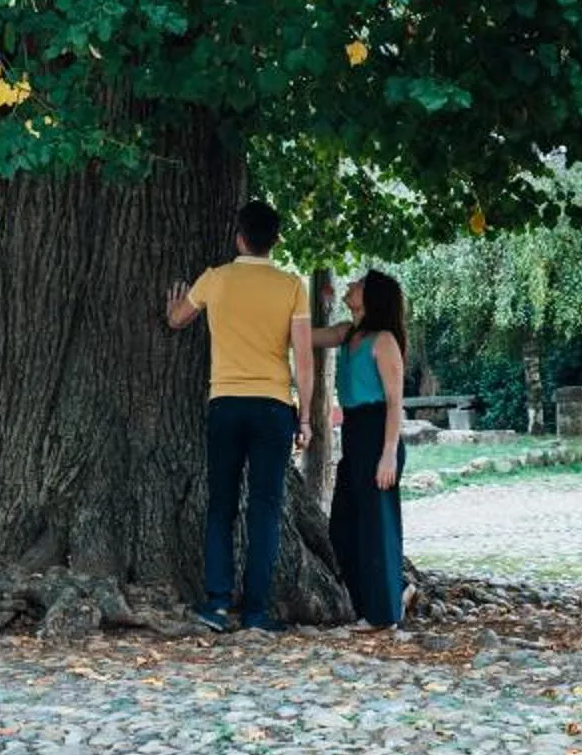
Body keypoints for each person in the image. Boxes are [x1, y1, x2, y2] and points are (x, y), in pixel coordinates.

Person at [165, 199, 312, 632]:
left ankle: (215, 604)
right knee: (266, 508)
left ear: (239, 237)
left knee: (221, 506)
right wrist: (305, 418)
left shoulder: (216, 279)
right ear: (275, 241)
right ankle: (257, 612)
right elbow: (303, 358)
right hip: (273, 407)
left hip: (226, 403)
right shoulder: (291, 286)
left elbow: (178, 320)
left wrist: (174, 307)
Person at [313, 269, 408, 628]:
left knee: (377, 525)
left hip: (378, 432)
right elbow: (304, 336)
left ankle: (383, 614)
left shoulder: (384, 341)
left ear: (371, 297)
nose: (350, 286)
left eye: (359, 284)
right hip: (353, 433)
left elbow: (396, 403)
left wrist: (388, 454)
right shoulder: (347, 333)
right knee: (344, 525)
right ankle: (370, 599)